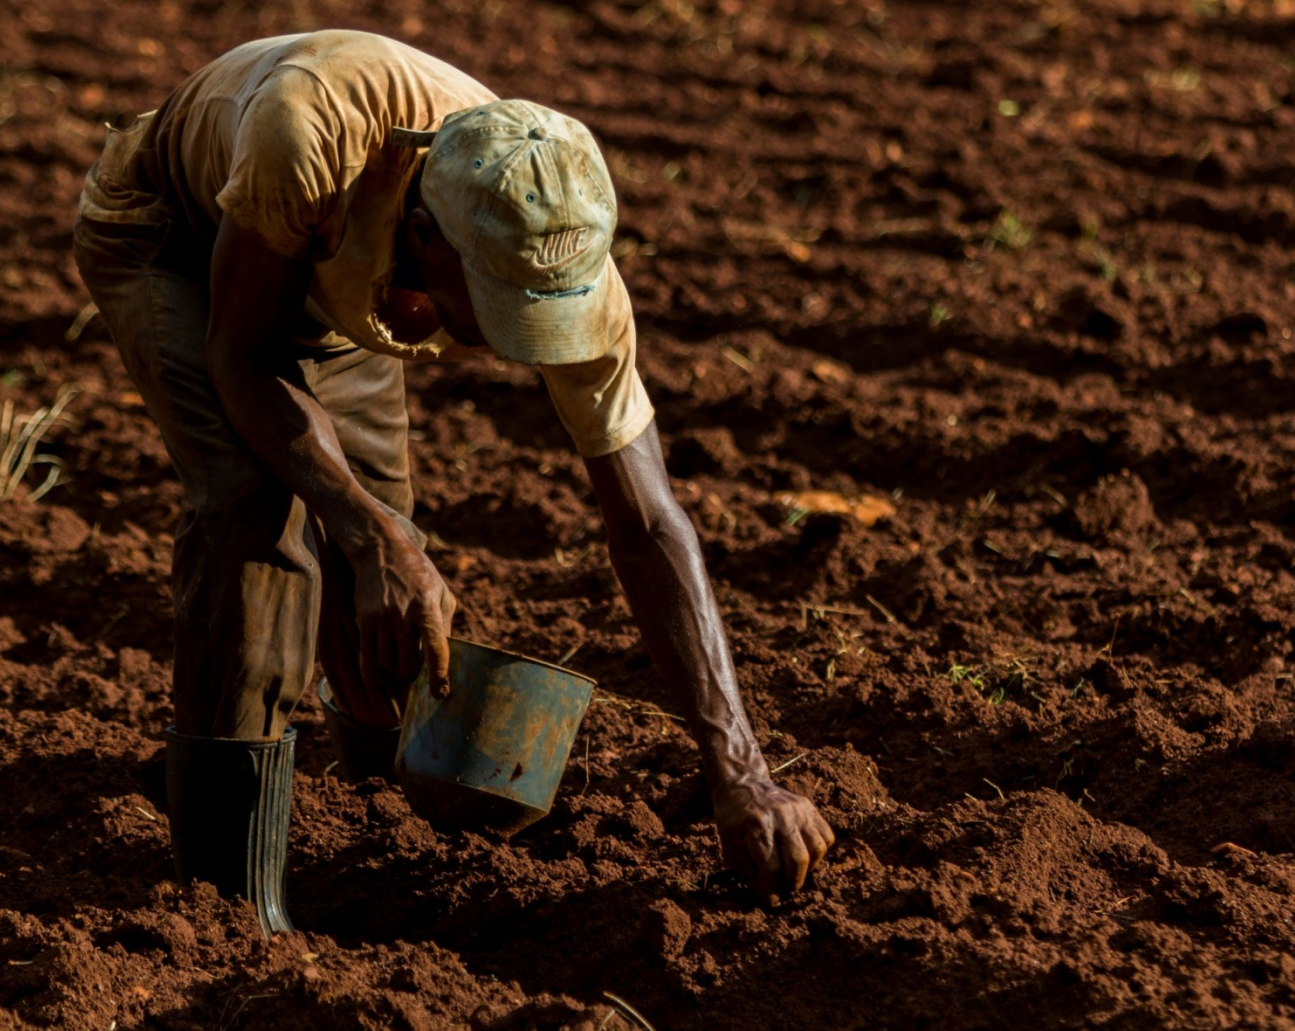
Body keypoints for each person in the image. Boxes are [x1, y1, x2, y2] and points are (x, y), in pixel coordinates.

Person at [72, 29, 833, 936]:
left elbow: (649, 521)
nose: (523, 341)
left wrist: (738, 768)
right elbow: (242, 355)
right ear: (427, 238)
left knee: (380, 558)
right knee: (259, 512)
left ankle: (365, 816)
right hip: (175, 235)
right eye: (501, 306)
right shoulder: (308, 134)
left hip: (335, 284)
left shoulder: (558, 235)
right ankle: (229, 905)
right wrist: (364, 532)